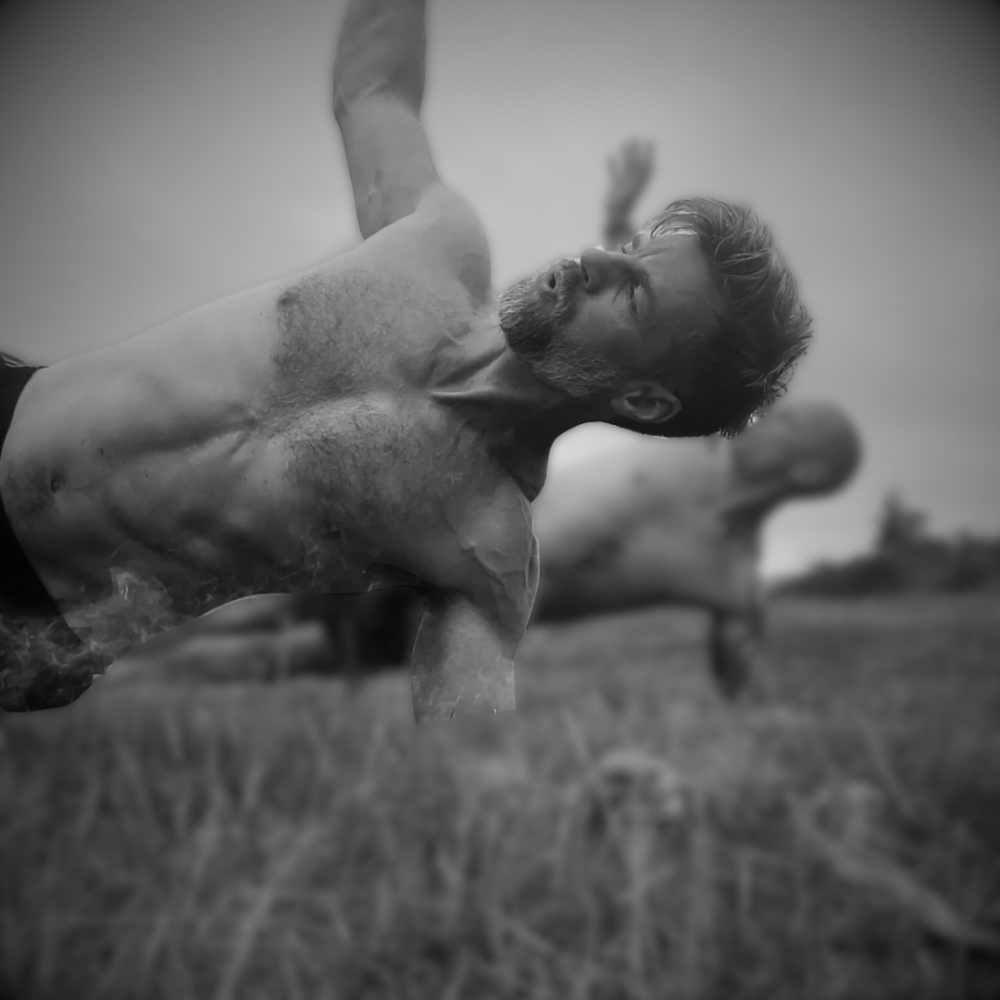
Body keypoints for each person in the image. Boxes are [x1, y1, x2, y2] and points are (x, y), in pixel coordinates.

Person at [0, 0, 812, 721]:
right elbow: (374, 91)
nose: (598, 257)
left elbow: (459, 752)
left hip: (27, 618)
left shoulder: (486, 550)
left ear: (644, 401)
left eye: (633, 294)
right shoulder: (435, 247)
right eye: (629, 244)